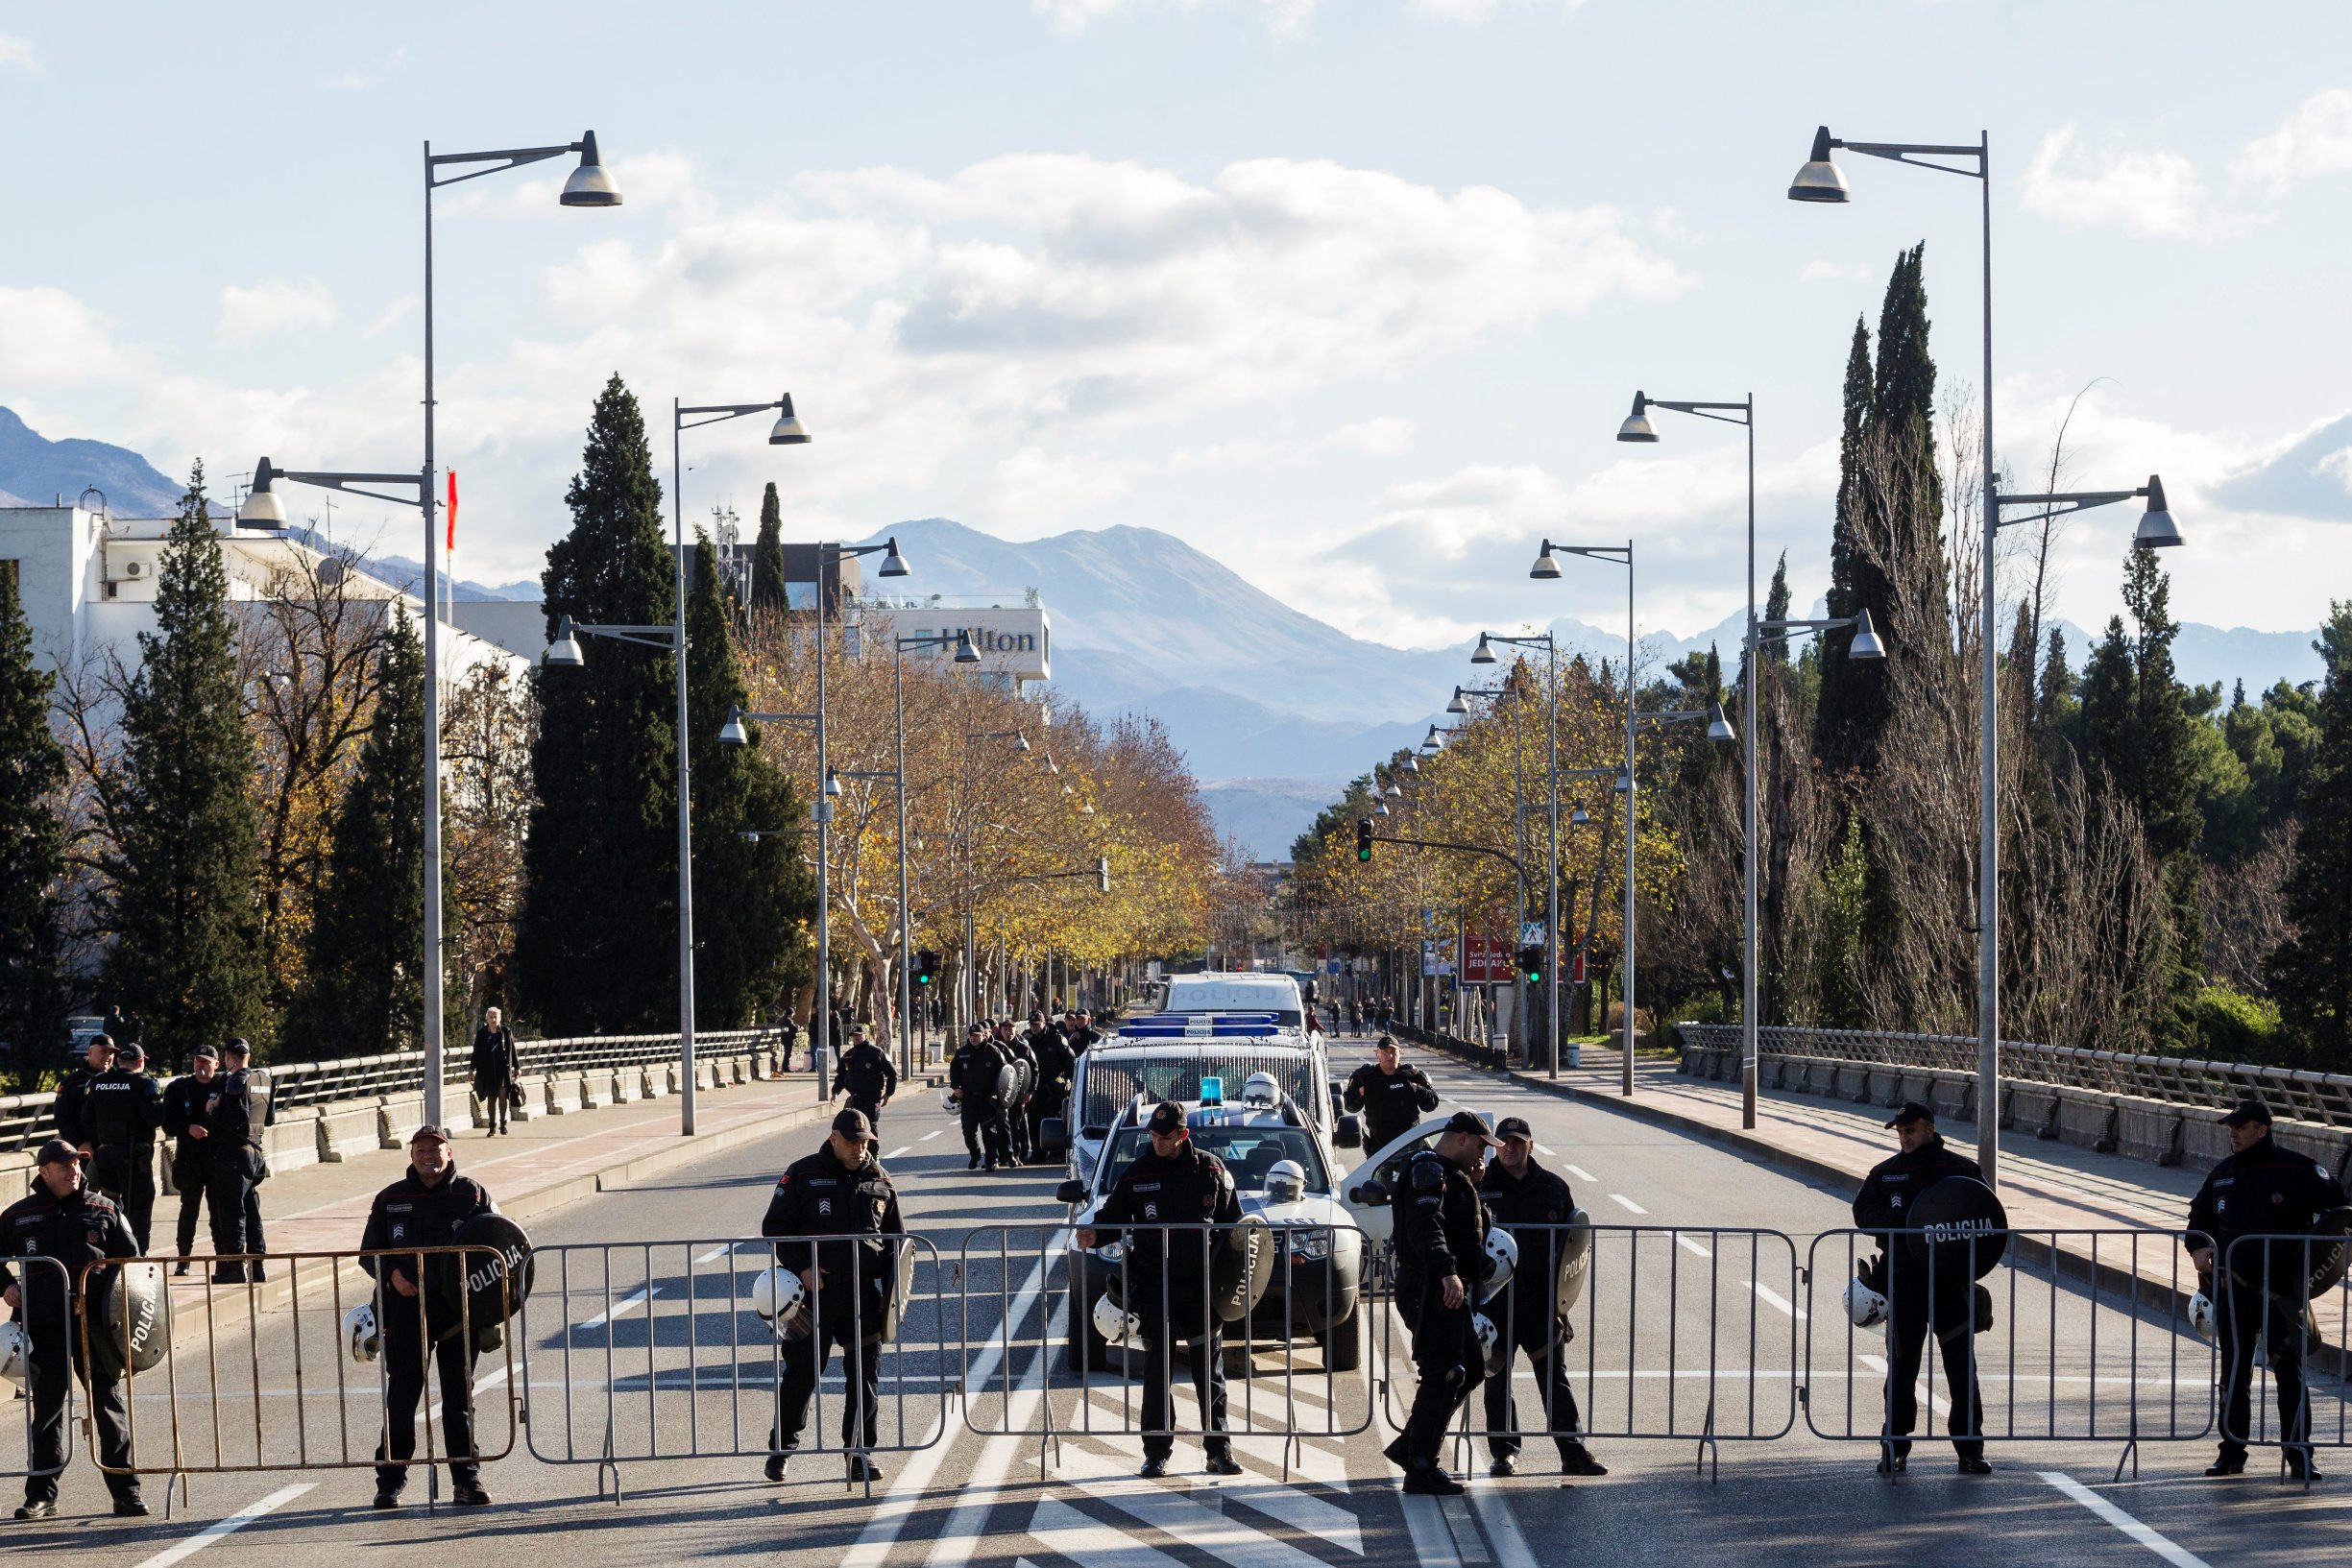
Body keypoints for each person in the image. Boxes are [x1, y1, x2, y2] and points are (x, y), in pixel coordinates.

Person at [1078, 1100, 1246, 1480]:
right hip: (1156, 1288)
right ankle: (1156, 1452)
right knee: (1157, 1374)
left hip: (1203, 1289)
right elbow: (1113, 1216)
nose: (1157, 1143)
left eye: (1165, 1138)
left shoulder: (1212, 1170)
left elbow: (1236, 1228)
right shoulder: (1136, 1174)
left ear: (1182, 1135)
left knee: (1209, 1372)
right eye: (1153, 1136)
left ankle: (1219, 1450)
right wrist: (1094, 1231)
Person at [2186, 1099, 2348, 1481]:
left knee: (2288, 1373)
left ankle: (2299, 1455)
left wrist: (2317, 1258)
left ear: (2263, 1130)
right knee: (2234, 1372)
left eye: (2241, 1127)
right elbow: (2199, 1214)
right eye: (2231, 1127)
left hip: (2282, 1291)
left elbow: (2339, 1213)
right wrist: (2198, 1247)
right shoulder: (2223, 1173)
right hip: (2234, 1290)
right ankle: (2231, 1452)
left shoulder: (2297, 1169)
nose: (2233, 1133)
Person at [1, 1140, 147, 1519]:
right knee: (47, 1411)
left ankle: (126, 1491)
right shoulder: (19, 1215)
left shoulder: (104, 1208)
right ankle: (41, 1495)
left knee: (108, 1406)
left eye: (78, 1164)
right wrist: (5, 1285)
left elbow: (131, 1261)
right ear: (43, 1172)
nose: (74, 1171)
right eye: (64, 1166)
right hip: (44, 1325)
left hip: (95, 1326)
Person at [761, 1107, 904, 1483]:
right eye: (853, 1142)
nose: (860, 1149)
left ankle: (859, 1454)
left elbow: (897, 1244)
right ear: (834, 1138)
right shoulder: (803, 1174)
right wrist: (802, 1267)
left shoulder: (880, 1179)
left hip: (862, 1296)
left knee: (864, 1378)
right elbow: (775, 1227)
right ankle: (781, 1449)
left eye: (865, 1142)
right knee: (801, 1375)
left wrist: (893, 1298)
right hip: (811, 1298)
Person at [359, 1125, 495, 1508]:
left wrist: (491, 1306)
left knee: (458, 1398)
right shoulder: (390, 1199)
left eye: (435, 1149)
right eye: (420, 1150)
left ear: (449, 1153)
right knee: (402, 1397)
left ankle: (466, 1479)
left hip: (457, 1312)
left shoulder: (473, 1193)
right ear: (411, 1155)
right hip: (405, 1311)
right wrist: (392, 1274)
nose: (427, 1156)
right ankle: (390, 1481)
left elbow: (501, 1244)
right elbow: (369, 1252)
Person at [1853, 1101, 1990, 1476]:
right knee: (1901, 1369)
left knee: (1961, 1369)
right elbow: (1862, 1214)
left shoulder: (1962, 1170)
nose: (1904, 1137)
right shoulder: (1886, 1174)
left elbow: (1986, 1217)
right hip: (1905, 1283)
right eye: (1899, 1132)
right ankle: (1894, 1447)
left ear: (1929, 1128)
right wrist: (1903, 1222)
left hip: (1950, 1284)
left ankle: (1970, 1451)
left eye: (1910, 1130)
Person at [1478, 1118, 1606, 1478]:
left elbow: (1574, 1246)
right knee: (1497, 1379)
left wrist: (1563, 1302)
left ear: (1531, 1145)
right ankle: (1504, 1452)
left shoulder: (1553, 1187)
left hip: (1541, 1303)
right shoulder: (1481, 1186)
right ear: (1496, 1146)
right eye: (1504, 1144)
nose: (1511, 1149)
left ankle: (1574, 1453)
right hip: (1497, 1302)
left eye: (1518, 1142)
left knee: (1554, 1377)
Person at [1386, 1110, 1501, 1496]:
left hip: (1448, 1287)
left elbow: (1466, 1229)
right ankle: (1421, 1465)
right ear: (1463, 1138)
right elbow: (1426, 1226)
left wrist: (1471, 1186)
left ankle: (1412, 1445)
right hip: (1430, 1287)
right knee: (1445, 1370)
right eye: (1482, 1146)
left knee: (1468, 1369)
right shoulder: (1428, 1170)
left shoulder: (1454, 1177)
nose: (1484, 1155)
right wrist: (1447, 1271)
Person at [83, 1041, 165, 1253]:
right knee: (139, 1211)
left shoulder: (99, 1082)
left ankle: (109, 1253)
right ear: (140, 1062)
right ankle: (138, 1257)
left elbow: (86, 1118)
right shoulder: (144, 1082)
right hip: (135, 1157)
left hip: (106, 1156)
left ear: (119, 1061)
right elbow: (154, 1118)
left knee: (109, 1208)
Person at [205, 1039, 274, 1285]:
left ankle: (235, 1266)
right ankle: (258, 1265)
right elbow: (270, 1118)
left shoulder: (236, 1080)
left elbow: (234, 1118)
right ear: (248, 1055)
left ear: (228, 1057)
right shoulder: (264, 1079)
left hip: (234, 1152)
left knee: (232, 1211)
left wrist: (213, 1109)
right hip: (255, 1151)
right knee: (252, 1208)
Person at [162, 1044, 220, 1276]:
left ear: (216, 1064)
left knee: (218, 1211)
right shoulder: (180, 1088)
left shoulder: (224, 1086)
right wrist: (188, 1128)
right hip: (189, 1160)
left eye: (206, 1061)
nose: (200, 1065)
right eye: (198, 1060)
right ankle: (183, 1259)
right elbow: (167, 1123)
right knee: (189, 1210)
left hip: (217, 1159)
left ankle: (224, 1258)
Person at [1346, 1037, 1441, 1152]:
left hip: (1411, 1141)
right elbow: (1350, 1106)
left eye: (1393, 1052)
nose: (1389, 1056)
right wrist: (1361, 1092)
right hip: (1380, 1145)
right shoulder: (1365, 1077)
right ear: (1377, 1054)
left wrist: (1417, 1089)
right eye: (1385, 1052)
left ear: (1400, 1053)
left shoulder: (1412, 1075)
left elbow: (1432, 1104)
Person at [950, 1025, 1012, 1171]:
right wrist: (956, 1087)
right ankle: (975, 1154)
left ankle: (991, 1160)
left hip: (987, 1099)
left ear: (983, 1036)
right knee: (968, 1130)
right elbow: (954, 1072)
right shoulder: (961, 1053)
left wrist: (1002, 1096)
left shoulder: (993, 1051)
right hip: (969, 1099)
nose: (974, 1038)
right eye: (972, 1035)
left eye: (977, 1035)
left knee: (989, 1131)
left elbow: (1005, 1074)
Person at [51, 1033, 114, 1158]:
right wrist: (80, 1143)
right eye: (103, 1052)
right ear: (90, 1052)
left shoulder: (119, 1079)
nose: (108, 1057)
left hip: (115, 1150)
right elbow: (62, 1117)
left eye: (111, 1053)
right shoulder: (72, 1082)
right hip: (85, 1151)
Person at [834, 1025, 899, 1135]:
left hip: (872, 1097)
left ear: (865, 1036)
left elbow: (892, 1074)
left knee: (870, 1124)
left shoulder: (876, 1053)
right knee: (856, 1126)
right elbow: (841, 1076)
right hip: (855, 1097)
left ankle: (873, 1151)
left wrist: (888, 1093)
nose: (856, 1038)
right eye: (854, 1036)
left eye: (859, 1035)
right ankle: (859, 1150)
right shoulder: (848, 1056)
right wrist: (835, 1092)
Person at [1030, 1012, 1077, 1162]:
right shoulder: (1029, 1040)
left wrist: (1069, 1082)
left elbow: (1070, 1061)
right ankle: (1037, 1153)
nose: (1034, 1028)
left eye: (1037, 1024)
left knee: (1054, 1120)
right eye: (1032, 1025)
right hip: (1036, 1087)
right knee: (1034, 1120)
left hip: (1053, 1087)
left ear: (1044, 1023)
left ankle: (1057, 1153)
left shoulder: (1056, 1039)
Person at [470, 1006, 521, 1137]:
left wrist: (517, 1067)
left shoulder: (505, 1032)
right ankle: (492, 1127)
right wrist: (471, 1069)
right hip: (487, 1072)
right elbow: (476, 1053)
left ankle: (503, 1125)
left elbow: (512, 1050)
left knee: (503, 1096)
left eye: (495, 1017)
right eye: (491, 1017)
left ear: (499, 1018)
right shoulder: (482, 1034)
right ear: (486, 1019)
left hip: (503, 1071)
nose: (493, 1019)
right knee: (491, 1098)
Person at [997, 1018, 1035, 1165]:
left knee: (1017, 1124)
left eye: (1011, 1030)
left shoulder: (1023, 1048)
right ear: (1001, 1031)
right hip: (1002, 1094)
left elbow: (1033, 1070)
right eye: (1005, 1030)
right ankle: (1003, 1155)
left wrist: (1029, 1091)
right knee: (1001, 1126)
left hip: (1019, 1094)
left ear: (1015, 1031)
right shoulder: (997, 1047)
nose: (1008, 1033)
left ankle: (1020, 1154)